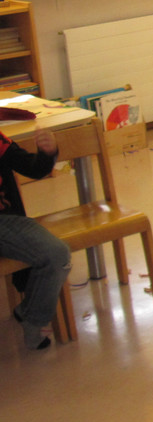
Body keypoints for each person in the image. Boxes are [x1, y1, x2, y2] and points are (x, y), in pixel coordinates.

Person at [0, 127, 68, 350]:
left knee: (57, 254)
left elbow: (33, 167)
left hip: (6, 222)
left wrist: (47, 153)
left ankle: (31, 317)